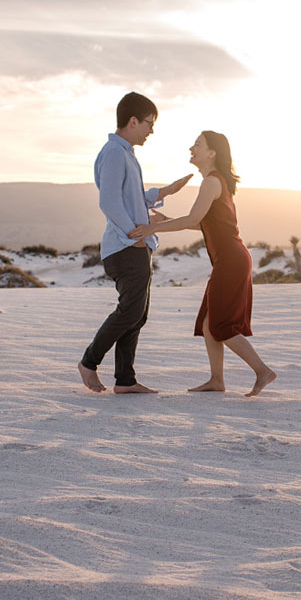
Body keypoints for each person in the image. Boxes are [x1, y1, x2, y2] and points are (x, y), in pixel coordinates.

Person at [129, 131, 277, 396]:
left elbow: (191, 219)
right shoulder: (215, 182)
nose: (191, 148)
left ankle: (262, 371)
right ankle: (216, 380)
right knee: (210, 322)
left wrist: (151, 228)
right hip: (230, 259)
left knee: (222, 325)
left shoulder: (211, 182)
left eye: (197, 144)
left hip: (231, 260)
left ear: (212, 153)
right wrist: (164, 221)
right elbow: (202, 223)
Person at [78, 92, 192, 394]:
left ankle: (125, 380)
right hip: (125, 248)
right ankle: (89, 362)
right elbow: (110, 202)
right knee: (129, 312)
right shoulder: (115, 153)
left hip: (132, 246)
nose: (151, 130)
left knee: (137, 314)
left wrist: (164, 191)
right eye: (149, 123)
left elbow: (131, 198)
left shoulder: (124, 152)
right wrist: (135, 235)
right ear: (132, 121)